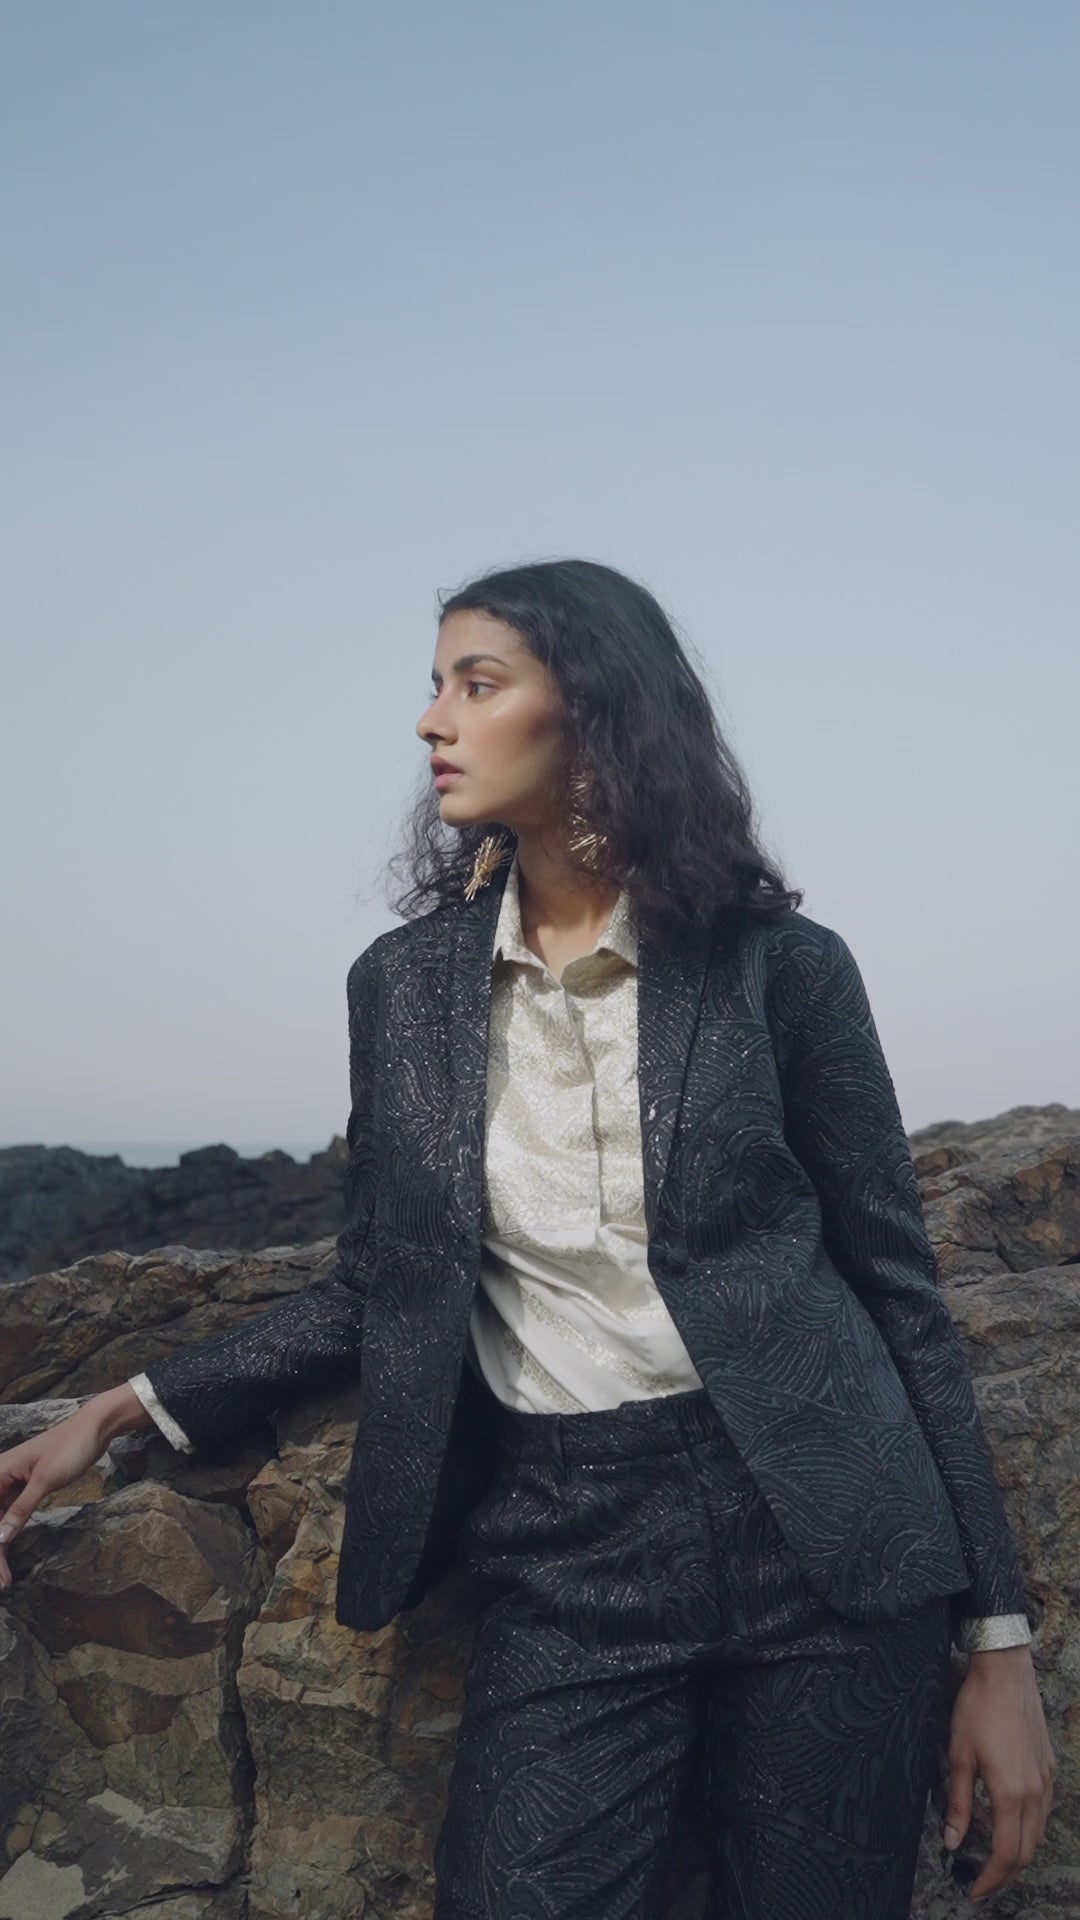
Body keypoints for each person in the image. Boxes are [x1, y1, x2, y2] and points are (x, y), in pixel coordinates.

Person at [0, 559, 1055, 1918]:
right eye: (435, 685)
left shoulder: (783, 968)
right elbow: (384, 1282)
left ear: (596, 708)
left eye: (477, 683)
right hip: (569, 1543)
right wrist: (120, 1409)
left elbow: (898, 1291)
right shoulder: (403, 990)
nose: (431, 720)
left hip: (830, 1539)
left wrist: (1000, 1649)